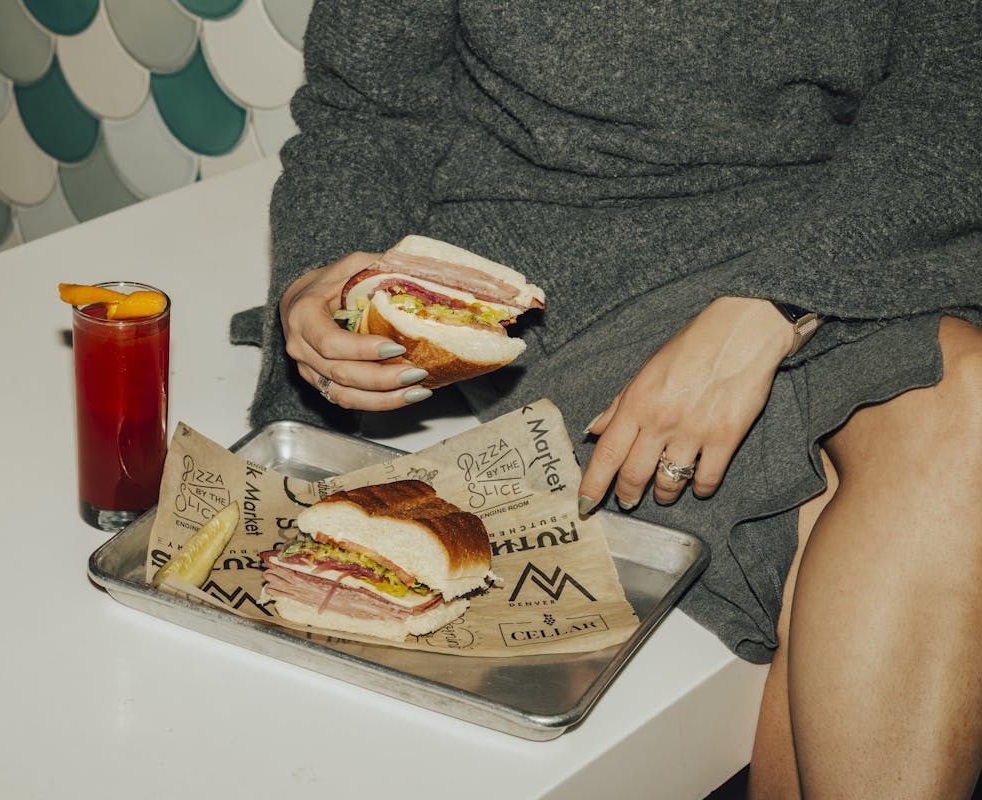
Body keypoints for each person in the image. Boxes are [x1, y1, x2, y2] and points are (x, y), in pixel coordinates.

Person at [236, 2, 982, 796]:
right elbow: (367, 114)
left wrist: (776, 302)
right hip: (572, 260)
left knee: (964, 401)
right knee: (856, 510)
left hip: (853, 219)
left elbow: (954, 95)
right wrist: (324, 279)